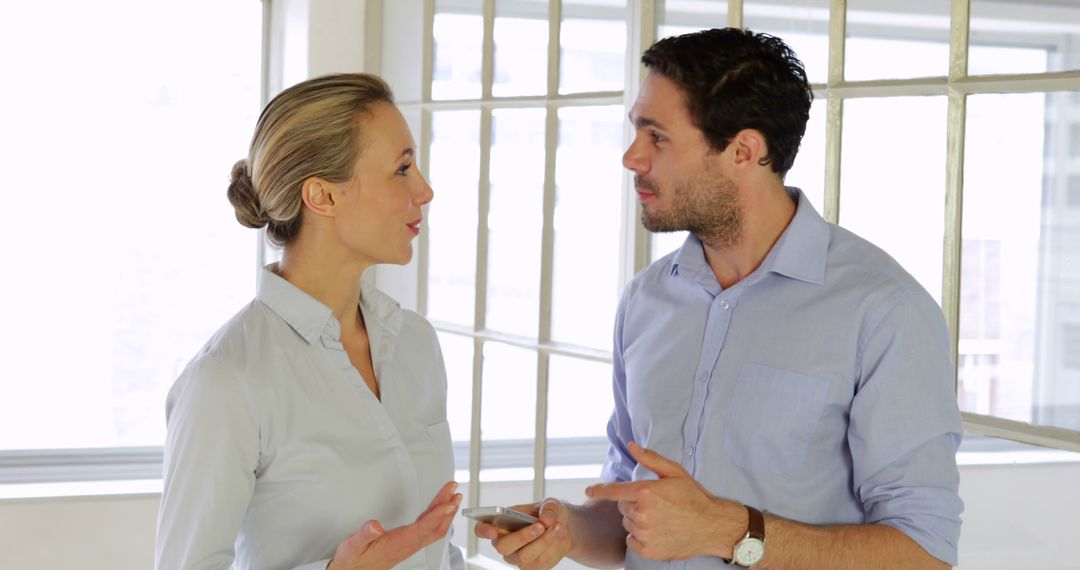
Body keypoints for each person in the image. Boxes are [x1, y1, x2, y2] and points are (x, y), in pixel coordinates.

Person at [475, 28, 963, 569]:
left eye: (657, 137)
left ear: (744, 150)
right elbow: (633, 520)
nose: (631, 158)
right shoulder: (647, 299)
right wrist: (563, 529)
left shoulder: (883, 311)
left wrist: (729, 530)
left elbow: (924, 553)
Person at [156, 73, 464, 570]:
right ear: (322, 196)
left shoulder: (416, 344)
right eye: (402, 170)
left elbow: (434, 553)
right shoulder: (225, 381)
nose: (424, 191)